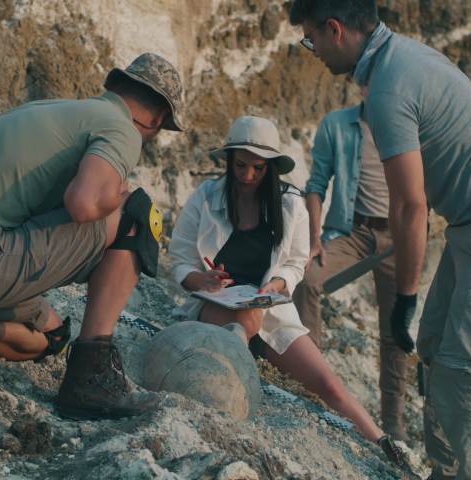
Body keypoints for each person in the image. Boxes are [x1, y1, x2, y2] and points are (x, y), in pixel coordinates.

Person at [288, 2, 471, 479]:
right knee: (432, 350)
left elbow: (410, 207)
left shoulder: (390, 84)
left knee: (464, 373)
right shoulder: (402, 57)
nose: (314, 51)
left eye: (312, 39)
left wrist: (405, 298)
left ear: (335, 29)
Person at [0, 53, 186, 420]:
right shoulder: (121, 129)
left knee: (51, 337)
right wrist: (119, 193)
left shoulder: (55, 110)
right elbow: (84, 203)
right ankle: (91, 378)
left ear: (114, 86)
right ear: (157, 118)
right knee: (138, 214)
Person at [168, 115, 415, 473]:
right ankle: (234, 376)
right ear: (229, 158)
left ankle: (385, 445)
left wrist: (277, 285)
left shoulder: (290, 204)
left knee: (328, 384)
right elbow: (179, 260)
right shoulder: (205, 196)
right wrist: (200, 281)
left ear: (271, 168)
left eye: (257, 167)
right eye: (240, 164)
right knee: (245, 315)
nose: (247, 175)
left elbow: (297, 263)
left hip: (270, 309)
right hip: (216, 306)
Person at [292, 90, 412, 444]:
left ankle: (394, 422)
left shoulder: (411, 127)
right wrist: (315, 237)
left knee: (396, 328)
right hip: (353, 231)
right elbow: (315, 186)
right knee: (308, 279)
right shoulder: (336, 124)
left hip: (400, 237)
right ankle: (311, 386)